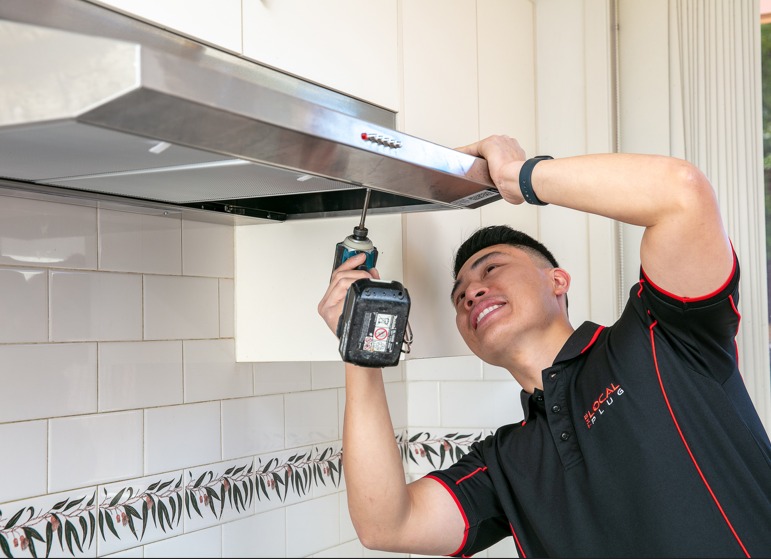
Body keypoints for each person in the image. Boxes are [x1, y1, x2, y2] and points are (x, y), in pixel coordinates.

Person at [317, 134, 771, 557]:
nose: (471, 292)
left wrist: (518, 175)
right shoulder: (506, 464)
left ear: (558, 281)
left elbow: (682, 194)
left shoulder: (660, 336)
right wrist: (360, 346)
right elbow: (386, 525)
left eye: (491, 268)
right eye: (459, 296)